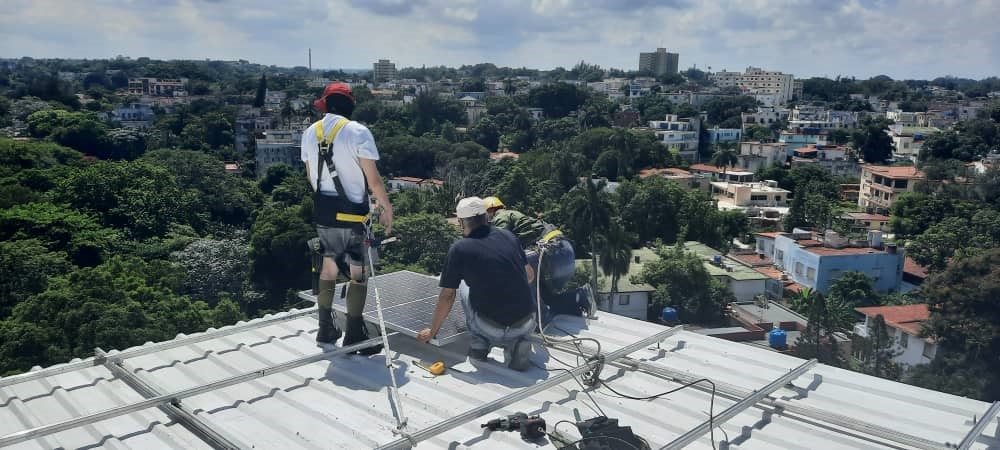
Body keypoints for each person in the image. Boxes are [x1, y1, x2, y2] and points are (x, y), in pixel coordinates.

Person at [302, 82, 393, 354]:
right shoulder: (357, 132)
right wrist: (386, 206)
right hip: (353, 214)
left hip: (325, 211)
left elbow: (310, 175)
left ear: (326, 106)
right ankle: (354, 332)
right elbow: (373, 179)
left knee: (328, 266)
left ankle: (325, 327)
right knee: (358, 272)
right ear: (350, 106)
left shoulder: (310, 132)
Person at [416, 197, 535, 371]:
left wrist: (432, 332)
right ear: (487, 217)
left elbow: (448, 296)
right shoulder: (509, 236)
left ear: (461, 222)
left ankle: (480, 343)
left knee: (462, 285)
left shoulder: (459, 248)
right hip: (527, 322)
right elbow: (529, 275)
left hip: (491, 328)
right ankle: (518, 341)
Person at [483, 197, 590, 318]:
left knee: (518, 269)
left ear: (490, 212)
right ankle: (579, 298)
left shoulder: (502, 216)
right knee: (544, 297)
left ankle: (540, 318)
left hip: (553, 252)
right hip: (564, 254)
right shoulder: (518, 218)